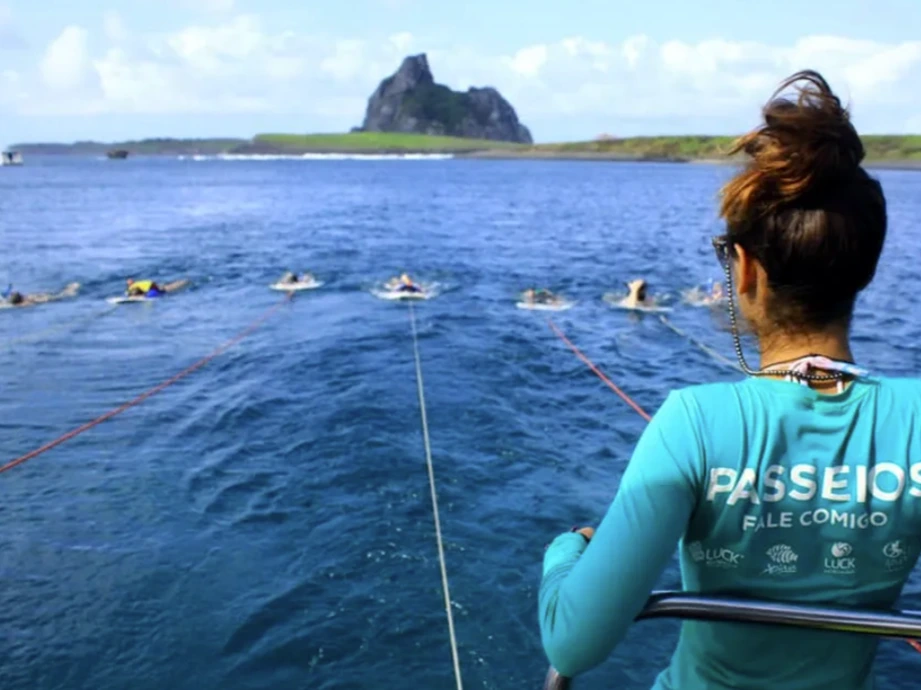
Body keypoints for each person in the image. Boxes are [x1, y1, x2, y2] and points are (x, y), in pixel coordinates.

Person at [538, 70, 915, 689]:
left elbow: (573, 644)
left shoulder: (692, 422)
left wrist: (567, 548)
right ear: (866, 266)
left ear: (743, 270)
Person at [1, 282, 80, 308]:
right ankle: (69, 291)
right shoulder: (23, 303)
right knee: (53, 296)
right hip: (37, 298)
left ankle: (69, 291)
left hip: (37, 298)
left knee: (54, 296)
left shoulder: (18, 303)